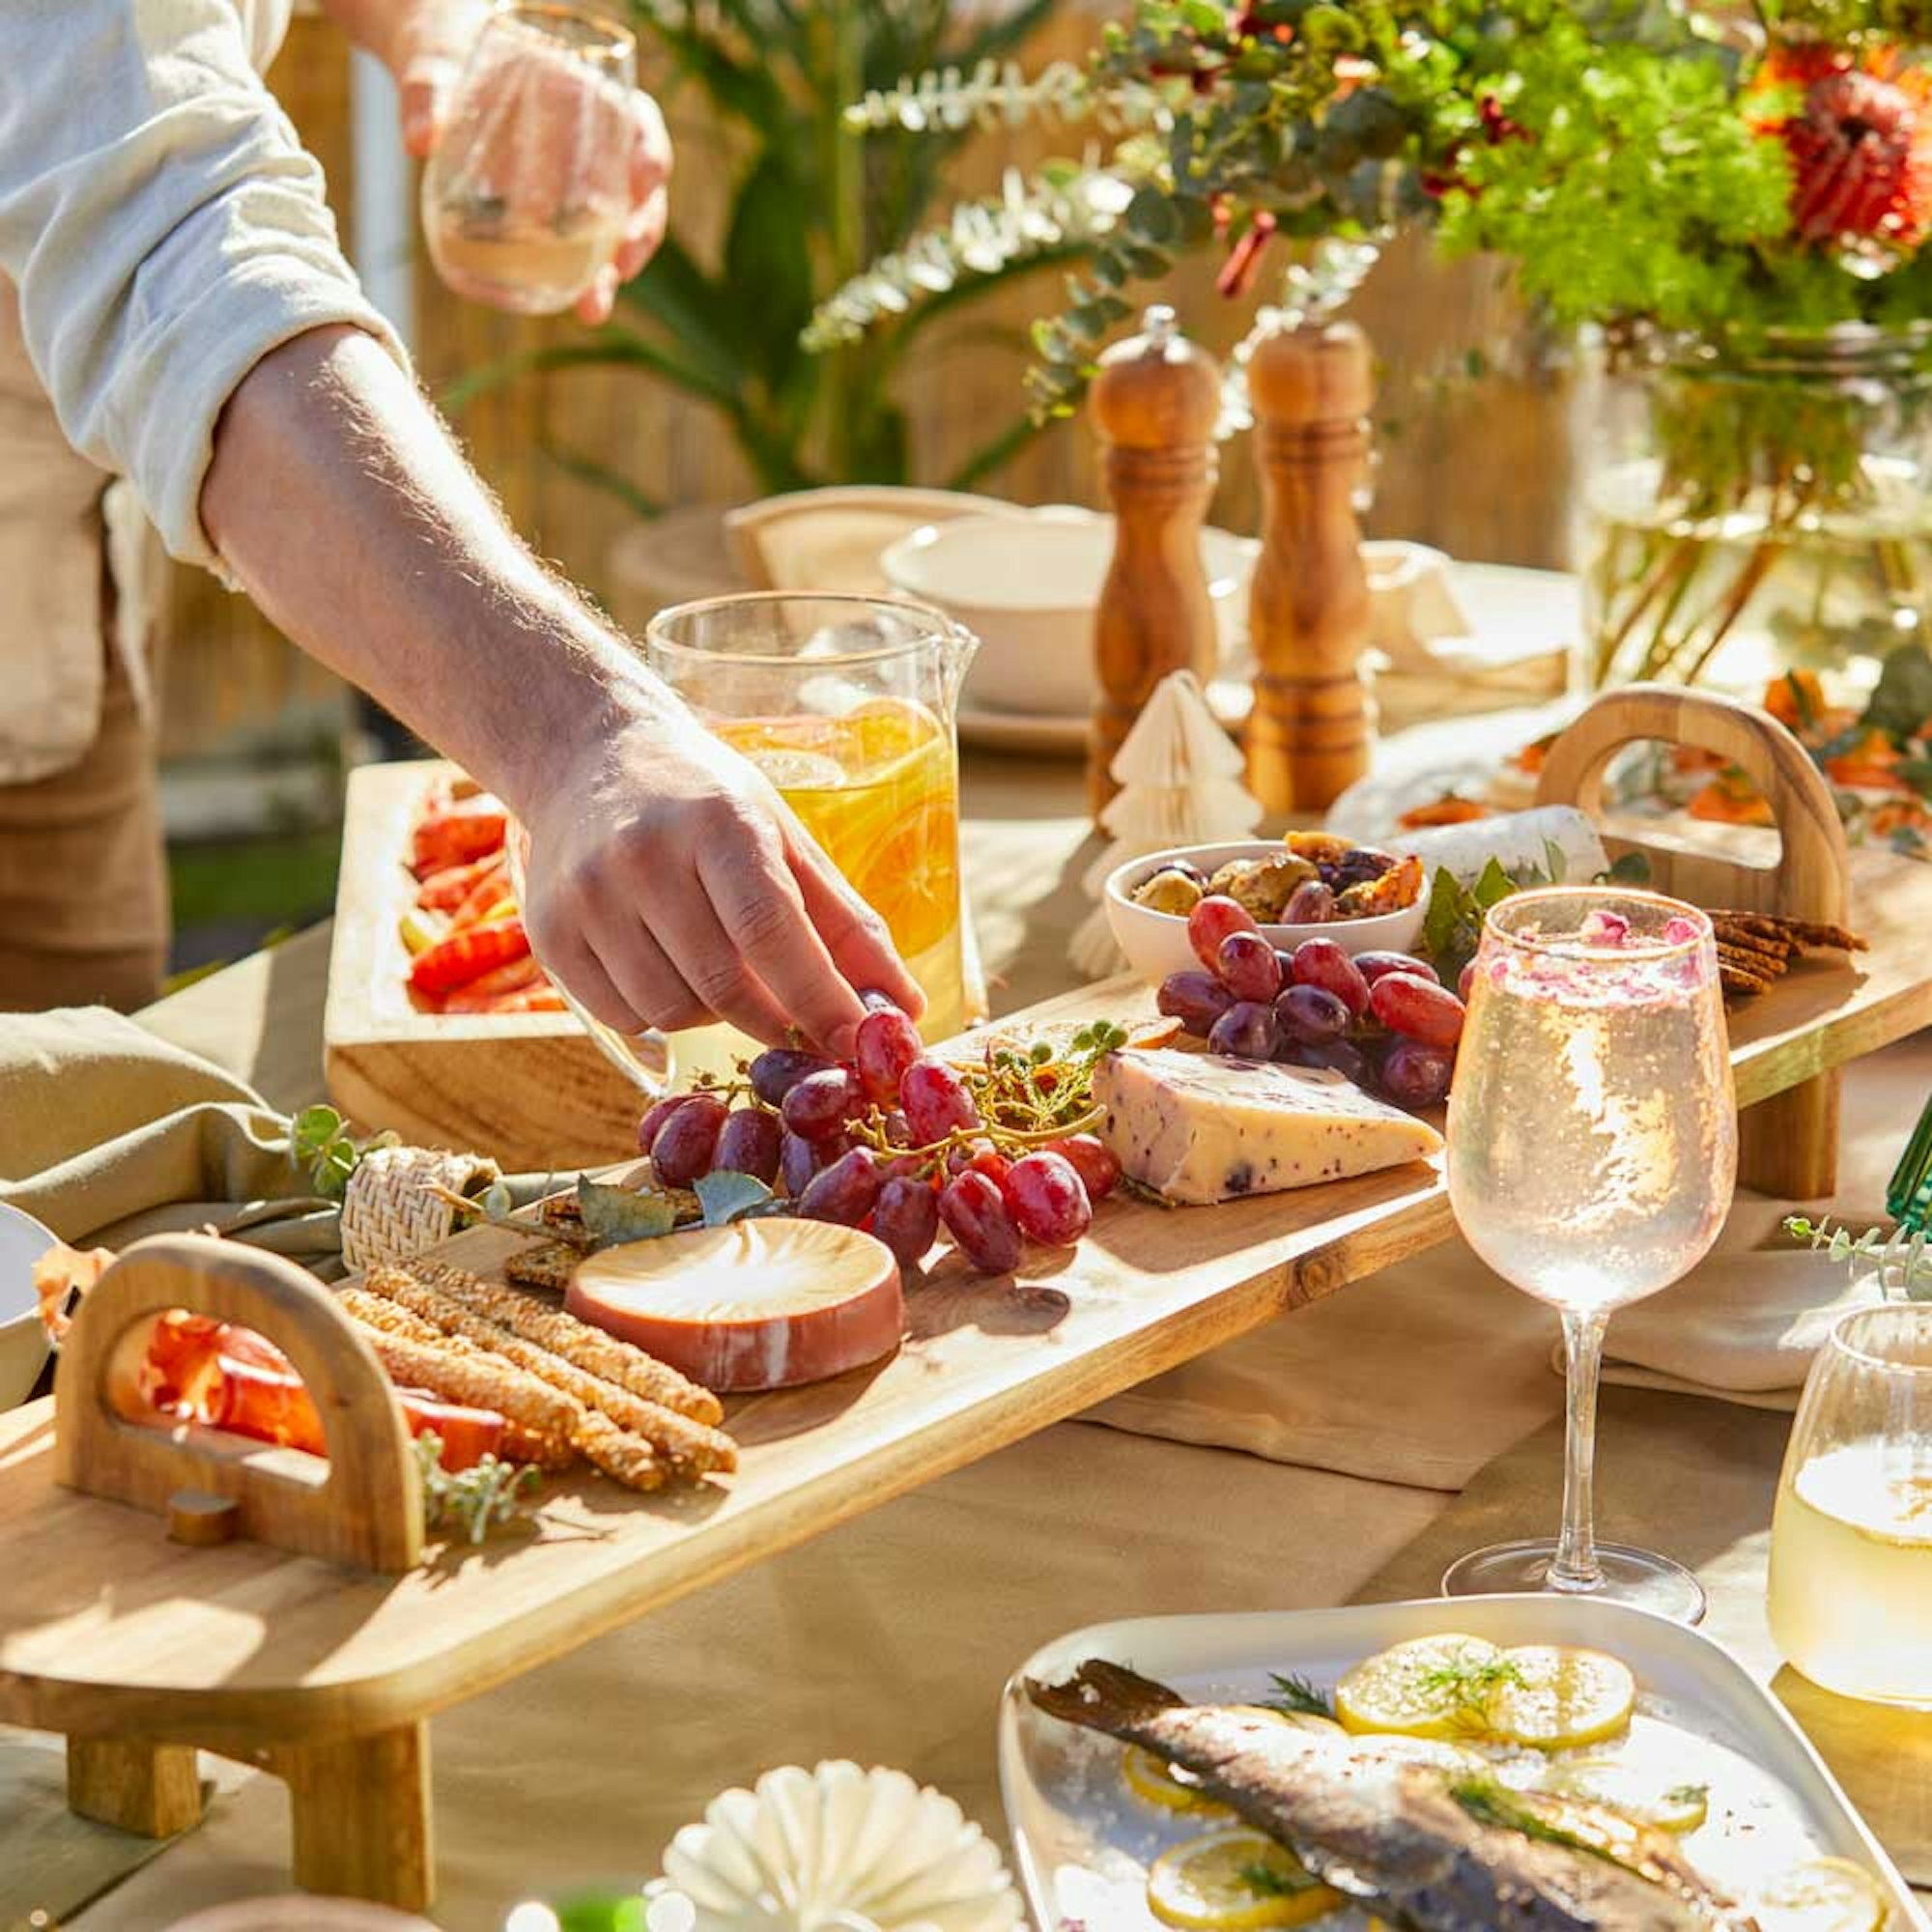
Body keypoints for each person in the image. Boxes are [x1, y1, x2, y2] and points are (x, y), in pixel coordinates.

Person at [0, 0, 919, 1053]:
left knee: (79, 1136)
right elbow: (188, 279)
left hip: (57, 629)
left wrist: (433, 30)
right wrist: (586, 736)